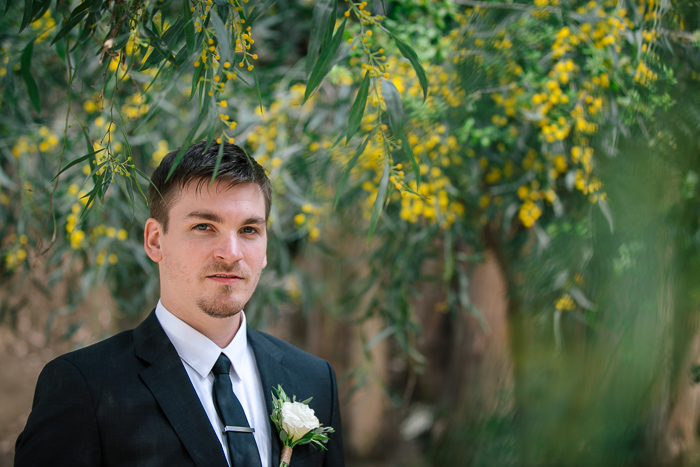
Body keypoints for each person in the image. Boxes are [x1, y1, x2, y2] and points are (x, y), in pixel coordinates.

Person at [14, 142, 345, 467]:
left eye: (248, 229)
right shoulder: (84, 387)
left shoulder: (314, 380)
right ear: (156, 241)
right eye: (204, 227)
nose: (231, 253)